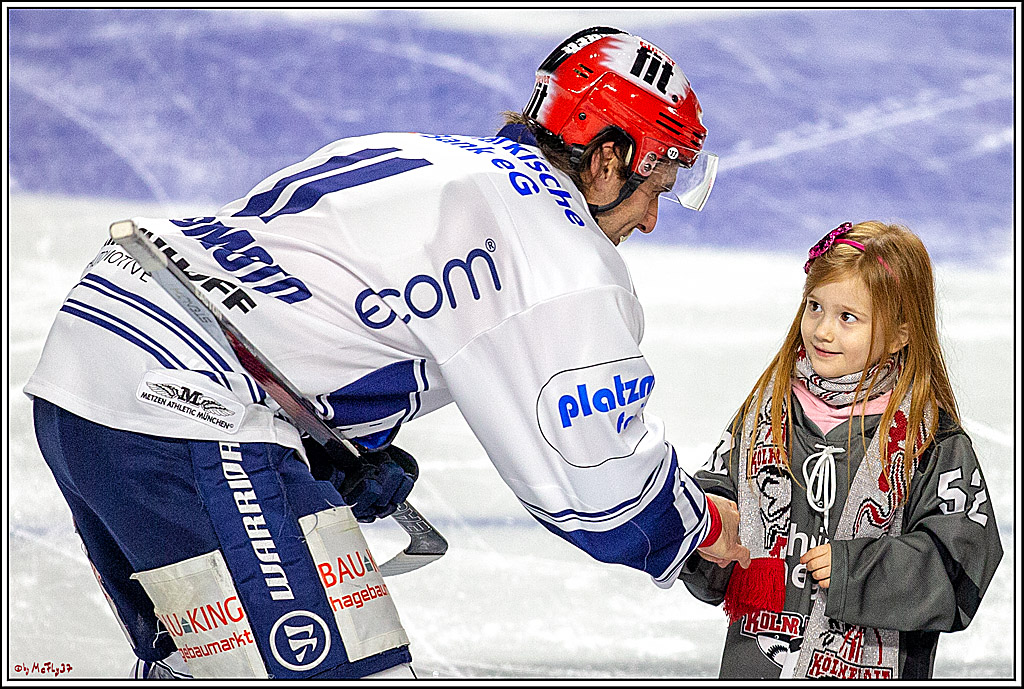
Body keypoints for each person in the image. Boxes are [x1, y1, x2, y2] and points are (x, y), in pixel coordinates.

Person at [25, 26, 748, 679]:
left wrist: (331, 449)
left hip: (89, 367)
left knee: (199, 667)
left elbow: (283, 297)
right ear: (609, 159)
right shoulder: (560, 257)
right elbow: (600, 487)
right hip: (182, 414)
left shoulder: (415, 151)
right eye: (656, 185)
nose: (652, 218)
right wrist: (702, 527)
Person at [678, 221, 1003, 679]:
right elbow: (714, 498)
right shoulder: (764, 416)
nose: (822, 331)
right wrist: (708, 526)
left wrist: (856, 570)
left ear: (899, 334)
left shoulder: (929, 440)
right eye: (815, 307)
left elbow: (962, 566)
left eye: (848, 317)